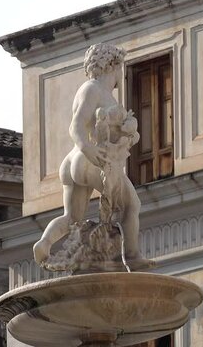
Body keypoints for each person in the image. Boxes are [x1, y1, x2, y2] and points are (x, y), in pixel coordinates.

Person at [33, 43, 142, 265]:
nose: (122, 73)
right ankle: (132, 257)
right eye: (121, 67)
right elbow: (76, 126)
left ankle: (44, 243)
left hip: (74, 162)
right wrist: (89, 149)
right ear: (113, 65)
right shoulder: (93, 89)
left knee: (72, 218)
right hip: (89, 159)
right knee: (132, 205)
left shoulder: (100, 94)